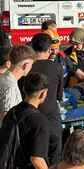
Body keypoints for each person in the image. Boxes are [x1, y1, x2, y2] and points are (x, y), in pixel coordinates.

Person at [27, 33, 64, 166]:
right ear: (49, 50)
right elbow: (59, 96)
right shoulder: (57, 67)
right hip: (51, 117)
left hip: (31, 115)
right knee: (54, 154)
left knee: (33, 154)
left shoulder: (26, 67)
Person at [1, 72, 50, 169]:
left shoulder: (12, 111)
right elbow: (37, 159)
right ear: (43, 94)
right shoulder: (40, 121)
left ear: (23, 89)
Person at [0, 45, 35, 124]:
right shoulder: (10, 86)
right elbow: (7, 117)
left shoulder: (3, 78)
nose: (31, 67)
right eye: (31, 64)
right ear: (25, 66)